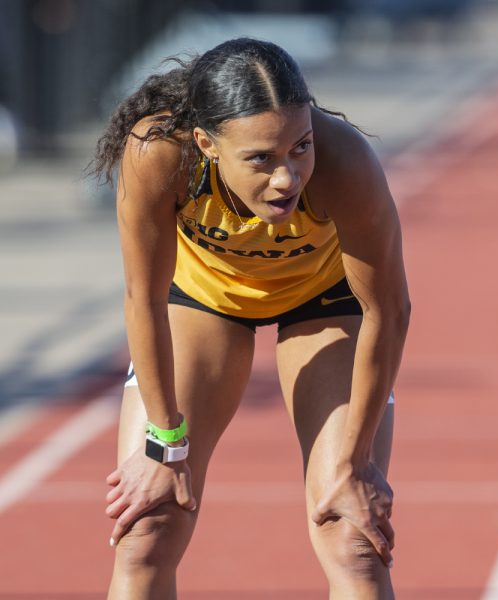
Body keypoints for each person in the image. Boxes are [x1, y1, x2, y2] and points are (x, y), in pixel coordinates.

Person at [90, 38, 410, 599]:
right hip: (204, 300)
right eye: (261, 159)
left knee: (353, 540)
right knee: (148, 530)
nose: (287, 178)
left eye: (300, 147)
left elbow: (389, 309)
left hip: (325, 300)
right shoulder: (158, 154)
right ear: (206, 144)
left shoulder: (345, 164)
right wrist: (165, 446)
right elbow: (143, 297)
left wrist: (355, 462)